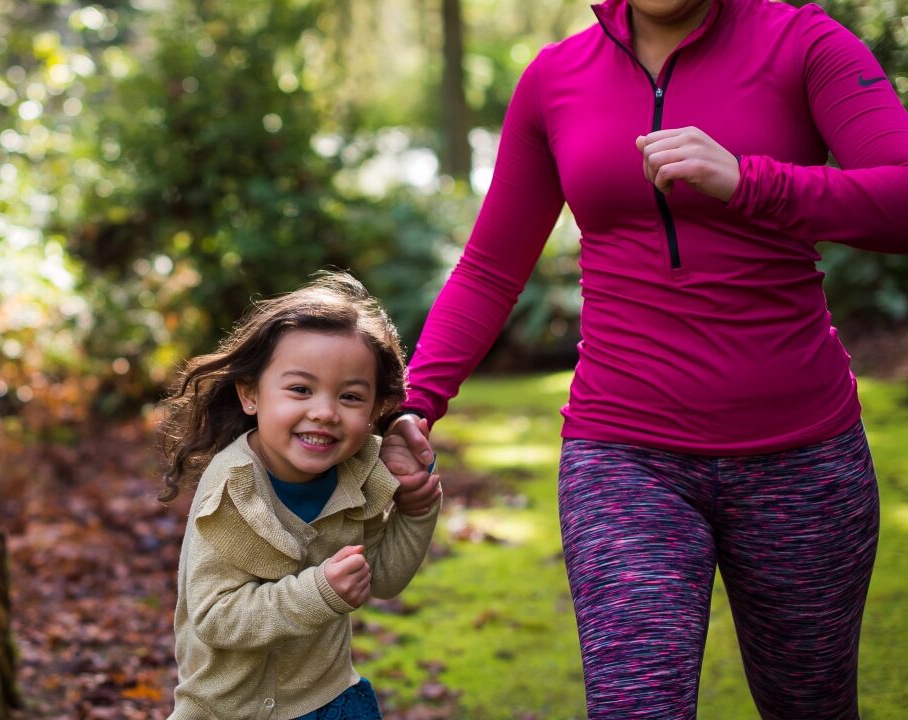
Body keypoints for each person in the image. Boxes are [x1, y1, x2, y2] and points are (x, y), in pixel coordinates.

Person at [380, 0, 908, 718]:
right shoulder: (555, 77)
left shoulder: (804, 42)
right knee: (636, 705)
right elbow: (490, 267)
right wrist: (419, 399)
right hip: (624, 456)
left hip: (802, 456)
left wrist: (751, 182)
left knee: (809, 703)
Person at [161, 272, 442, 720]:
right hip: (228, 709)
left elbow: (384, 579)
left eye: (350, 396)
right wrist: (320, 592)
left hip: (328, 698)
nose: (325, 412)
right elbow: (216, 617)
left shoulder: (360, 469)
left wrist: (415, 509)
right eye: (300, 389)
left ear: (373, 409)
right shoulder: (233, 487)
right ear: (251, 393)